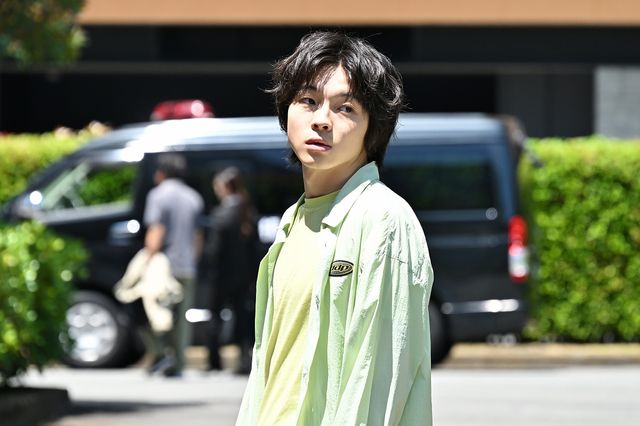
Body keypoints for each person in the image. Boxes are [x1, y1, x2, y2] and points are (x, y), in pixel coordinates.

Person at [236, 31, 434, 425]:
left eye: (345, 108)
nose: (321, 120)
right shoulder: (294, 221)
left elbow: (377, 383)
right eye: (308, 101)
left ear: (372, 128)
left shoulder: (382, 219)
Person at [143, 153, 204, 377]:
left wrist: (148, 259)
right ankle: (179, 362)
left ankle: (161, 354)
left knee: (158, 312)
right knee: (182, 318)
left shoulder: (158, 195)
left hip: (164, 265)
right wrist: (193, 260)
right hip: (187, 265)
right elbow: (198, 236)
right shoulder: (193, 197)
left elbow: (156, 230)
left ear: (162, 173)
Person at [205, 167, 257, 374]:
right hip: (244, 274)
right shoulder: (248, 212)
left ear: (226, 187)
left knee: (215, 316)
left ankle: (214, 360)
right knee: (242, 316)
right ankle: (244, 359)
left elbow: (213, 250)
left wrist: (208, 269)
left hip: (221, 275)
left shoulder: (221, 215)